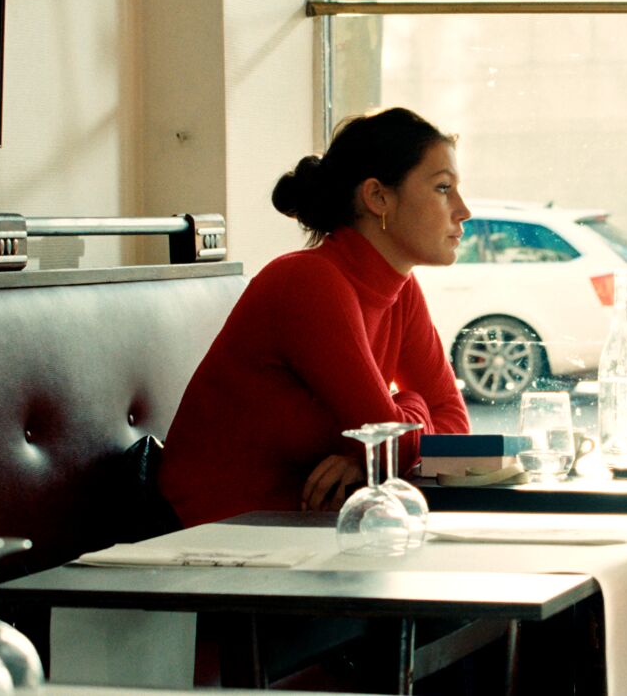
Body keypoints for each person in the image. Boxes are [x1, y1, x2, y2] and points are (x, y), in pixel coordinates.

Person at [160, 107, 471, 527]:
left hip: (304, 536)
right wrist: (406, 413)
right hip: (207, 542)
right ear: (378, 196)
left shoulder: (402, 289)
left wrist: (369, 455)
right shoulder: (308, 281)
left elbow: (455, 431)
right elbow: (387, 438)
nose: (463, 210)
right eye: (442, 188)